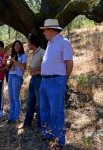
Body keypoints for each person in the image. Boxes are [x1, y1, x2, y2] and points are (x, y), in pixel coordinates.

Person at [39, 19, 73, 149]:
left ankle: (59, 140)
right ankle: (48, 134)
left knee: (56, 111)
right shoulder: (50, 43)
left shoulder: (64, 42)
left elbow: (69, 63)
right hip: (44, 81)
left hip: (56, 81)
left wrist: (64, 79)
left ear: (52, 30)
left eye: (45, 30)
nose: (43, 33)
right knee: (44, 109)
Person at [23, 34, 45, 128]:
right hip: (33, 80)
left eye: (28, 42)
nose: (27, 44)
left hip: (39, 79)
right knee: (30, 102)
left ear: (33, 43)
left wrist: (38, 70)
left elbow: (48, 67)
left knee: (40, 104)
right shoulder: (34, 53)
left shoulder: (42, 52)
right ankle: (27, 123)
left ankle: (40, 126)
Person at [7, 40, 27, 123]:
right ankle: (10, 117)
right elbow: (9, 68)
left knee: (16, 97)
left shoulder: (23, 56)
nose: (17, 46)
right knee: (11, 97)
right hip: (10, 76)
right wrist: (10, 61)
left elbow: (23, 67)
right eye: (15, 45)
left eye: (18, 45)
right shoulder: (12, 56)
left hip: (17, 77)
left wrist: (15, 61)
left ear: (21, 46)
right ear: (13, 47)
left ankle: (16, 117)